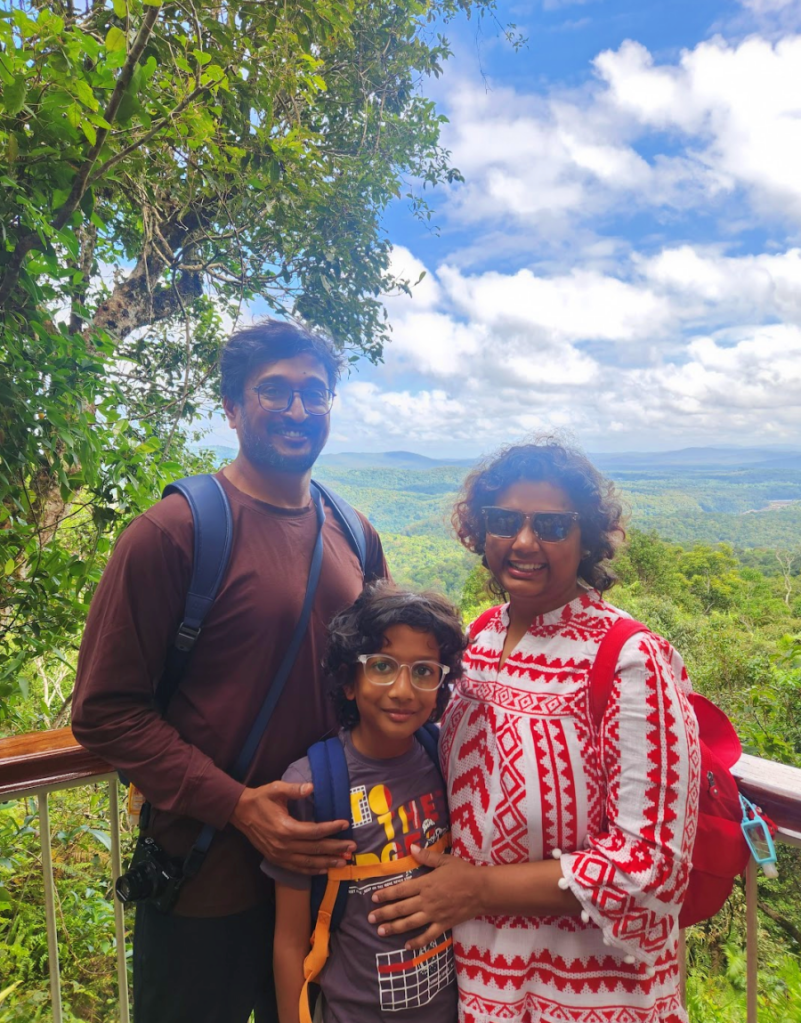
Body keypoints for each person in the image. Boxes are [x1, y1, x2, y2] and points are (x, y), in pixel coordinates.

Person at [71, 320, 388, 1023]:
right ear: (232, 408)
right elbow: (104, 710)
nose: (298, 409)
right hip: (205, 877)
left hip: (328, 873)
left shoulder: (354, 532)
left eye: (315, 392)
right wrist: (239, 805)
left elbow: (386, 673)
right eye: (274, 391)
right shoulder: (173, 532)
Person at [367, 439, 700, 1023]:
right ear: (481, 531)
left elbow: (651, 867)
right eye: (504, 521)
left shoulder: (629, 659)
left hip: (592, 996)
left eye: (551, 525)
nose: (523, 542)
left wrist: (479, 889)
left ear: (585, 538)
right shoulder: (479, 638)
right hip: (475, 984)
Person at [264, 583, 467, 1023]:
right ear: (349, 682)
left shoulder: (445, 760)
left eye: (424, 671)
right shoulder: (311, 786)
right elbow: (290, 941)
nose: (402, 690)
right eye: (382, 666)